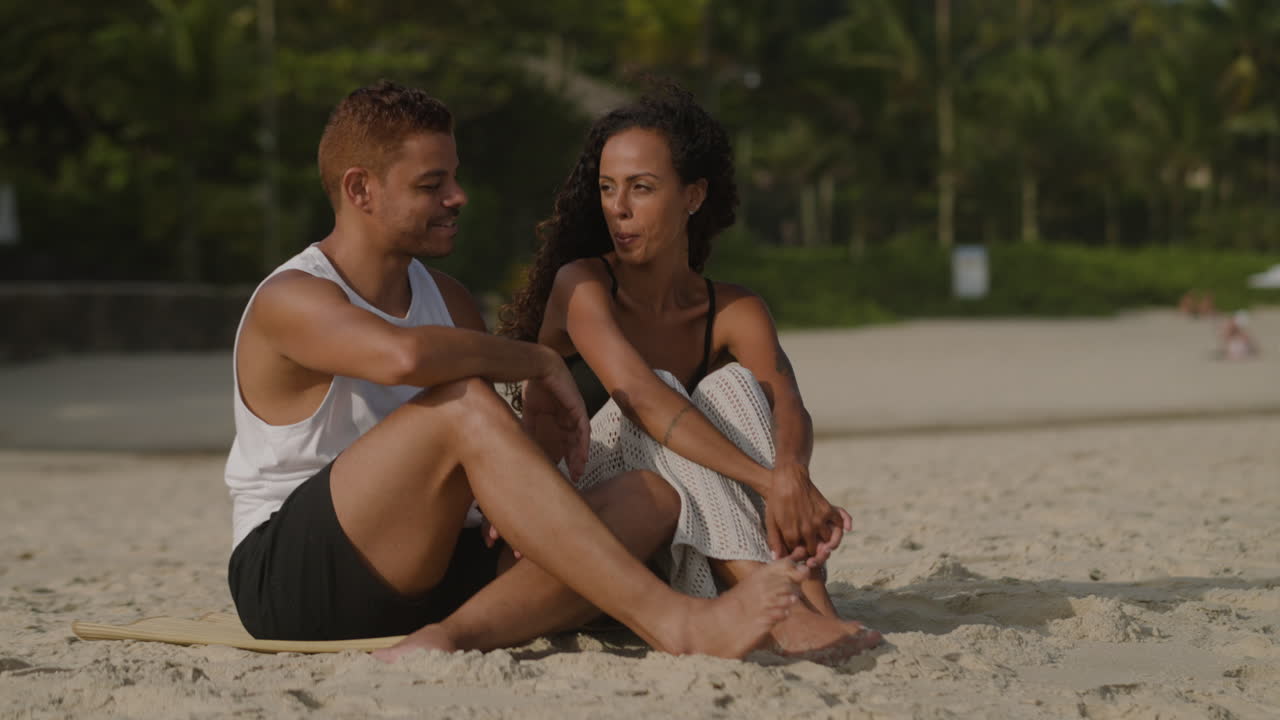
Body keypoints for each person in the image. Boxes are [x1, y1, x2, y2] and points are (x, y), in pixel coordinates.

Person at [224, 80, 809, 661]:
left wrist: (523, 508)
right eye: (432, 185)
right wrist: (538, 359)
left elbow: (487, 452)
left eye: (454, 177)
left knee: (650, 498)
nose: (458, 196)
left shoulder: (448, 300)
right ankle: (675, 622)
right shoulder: (293, 297)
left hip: (429, 568)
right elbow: (401, 358)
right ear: (360, 189)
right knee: (461, 404)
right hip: (295, 580)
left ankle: (449, 637)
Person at [497, 81, 881, 657]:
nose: (618, 208)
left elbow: (789, 405)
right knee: (666, 394)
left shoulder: (733, 309)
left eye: (642, 188)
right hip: (559, 529)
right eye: (608, 188)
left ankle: (809, 596)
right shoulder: (582, 285)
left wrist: (793, 474)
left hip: (667, 529)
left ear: (693, 195)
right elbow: (642, 398)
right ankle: (773, 601)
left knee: (733, 385)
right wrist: (768, 481)